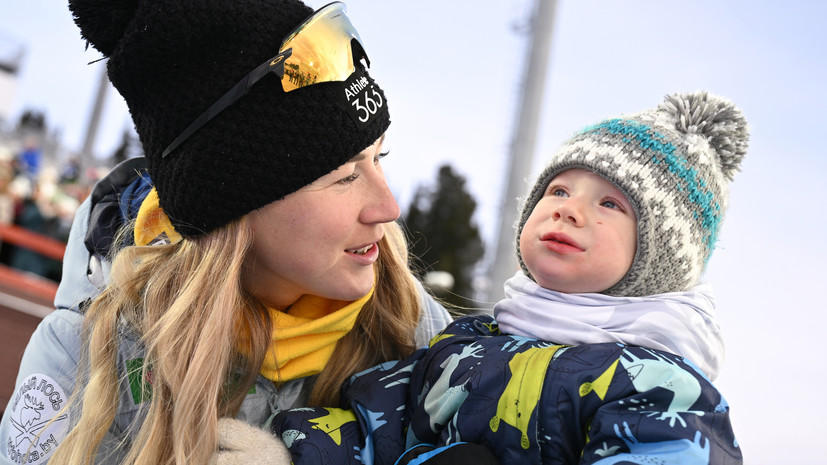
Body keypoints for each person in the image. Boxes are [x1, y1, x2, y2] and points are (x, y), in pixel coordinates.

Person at [0, 1, 452, 464]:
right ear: (235, 209)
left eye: (380, 158)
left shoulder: (413, 328)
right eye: (344, 177)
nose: (388, 207)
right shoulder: (87, 365)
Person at [266, 91, 747, 465]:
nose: (568, 209)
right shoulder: (466, 347)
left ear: (658, 255)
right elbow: (375, 433)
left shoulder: (658, 385)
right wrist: (282, 453)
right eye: (558, 188)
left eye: (609, 204)